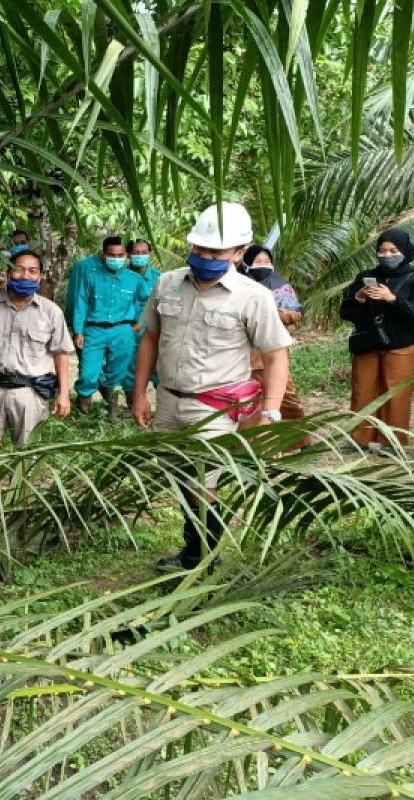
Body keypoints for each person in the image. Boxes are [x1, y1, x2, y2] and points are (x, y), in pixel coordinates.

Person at [132, 203, 293, 571]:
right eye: (199, 249)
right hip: (169, 400)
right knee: (177, 474)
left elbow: (275, 356)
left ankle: (201, 557)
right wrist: (141, 393)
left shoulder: (253, 297)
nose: (204, 257)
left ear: (239, 251)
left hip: (215, 407)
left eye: (215, 251)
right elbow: (150, 339)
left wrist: (271, 410)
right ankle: (197, 546)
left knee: (203, 483)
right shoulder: (167, 283)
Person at [340, 229, 414, 454]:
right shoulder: (365, 276)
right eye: (382, 251)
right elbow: (347, 313)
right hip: (368, 342)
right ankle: (359, 439)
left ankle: (392, 442)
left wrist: (392, 299)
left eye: (393, 250)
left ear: (405, 251)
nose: (386, 255)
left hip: (399, 344)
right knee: (363, 390)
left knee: (396, 394)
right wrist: (359, 298)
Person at [0, 249, 74, 445]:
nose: (25, 275)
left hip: (31, 393)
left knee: (26, 456)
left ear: (40, 277)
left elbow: (60, 353)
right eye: (19, 270)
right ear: (8, 272)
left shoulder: (50, 312)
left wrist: (63, 394)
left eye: (32, 271)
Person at [236, 245, 311, 449]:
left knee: (285, 397)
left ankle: (297, 440)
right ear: (247, 263)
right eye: (257, 262)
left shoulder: (280, 286)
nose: (262, 265)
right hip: (243, 354)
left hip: (272, 352)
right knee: (247, 400)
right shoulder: (237, 285)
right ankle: (250, 444)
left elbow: (294, 314)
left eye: (266, 261)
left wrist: (271, 313)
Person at [72, 236, 148, 418]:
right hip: (94, 330)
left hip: (123, 331)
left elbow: (145, 301)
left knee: (116, 373)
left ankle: (112, 408)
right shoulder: (91, 277)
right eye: (111, 255)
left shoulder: (135, 279)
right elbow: (80, 303)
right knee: (88, 373)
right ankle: (83, 413)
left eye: (120, 255)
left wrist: (139, 322)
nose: (116, 259)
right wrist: (78, 331)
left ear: (126, 255)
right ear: (103, 255)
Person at [123, 239, 162, 397]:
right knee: (130, 368)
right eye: (136, 253)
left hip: (154, 330)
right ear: (129, 255)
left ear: (150, 254)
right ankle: (132, 405)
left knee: (159, 368)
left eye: (144, 252)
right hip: (129, 331)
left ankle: (161, 407)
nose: (140, 256)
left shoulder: (160, 278)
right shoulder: (122, 277)